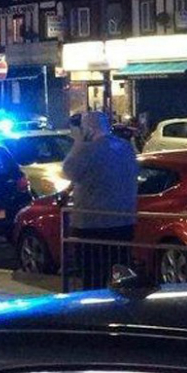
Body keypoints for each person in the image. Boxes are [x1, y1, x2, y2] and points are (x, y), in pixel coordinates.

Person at [62, 111, 139, 290]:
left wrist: (79, 142)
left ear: (86, 128)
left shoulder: (88, 149)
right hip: (123, 223)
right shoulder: (124, 147)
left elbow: (68, 170)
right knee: (121, 277)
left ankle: (96, 315)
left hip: (92, 225)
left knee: (92, 279)